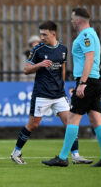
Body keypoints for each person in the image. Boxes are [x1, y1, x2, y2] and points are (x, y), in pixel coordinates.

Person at [10, 20, 92, 165]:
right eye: (41, 34)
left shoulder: (63, 49)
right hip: (42, 93)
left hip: (59, 94)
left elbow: (63, 68)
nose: (41, 37)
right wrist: (40, 64)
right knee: (33, 124)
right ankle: (16, 153)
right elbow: (26, 69)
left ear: (53, 34)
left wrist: (62, 84)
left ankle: (76, 155)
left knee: (70, 123)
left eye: (44, 35)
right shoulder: (37, 50)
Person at [42, 7, 101, 167]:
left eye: (72, 18)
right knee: (96, 120)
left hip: (88, 81)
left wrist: (83, 83)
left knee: (72, 118)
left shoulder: (86, 35)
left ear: (78, 20)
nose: (71, 21)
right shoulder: (90, 34)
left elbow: (89, 58)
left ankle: (63, 157)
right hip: (94, 80)